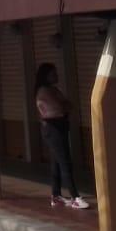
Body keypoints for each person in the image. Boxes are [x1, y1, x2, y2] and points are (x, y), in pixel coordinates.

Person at [35, 63, 90, 209]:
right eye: (53, 73)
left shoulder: (53, 89)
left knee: (57, 162)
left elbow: (68, 105)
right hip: (53, 129)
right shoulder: (44, 91)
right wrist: (63, 106)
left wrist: (64, 106)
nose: (56, 76)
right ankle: (75, 197)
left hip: (59, 127)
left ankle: (56, 195)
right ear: (45, 76)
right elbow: (57, 109)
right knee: (65, 161)